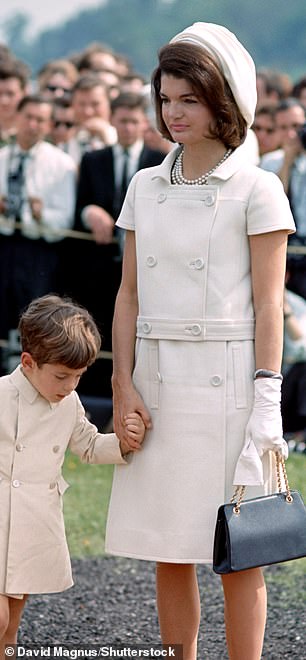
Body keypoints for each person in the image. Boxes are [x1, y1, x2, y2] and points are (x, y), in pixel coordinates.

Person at [105, 22, 295, 660]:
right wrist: (121, 381)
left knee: (239, 554)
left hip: (233, 388)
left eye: (189, 98)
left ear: (224, 100)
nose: (173, 112)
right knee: (169, 548)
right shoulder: (145, 186)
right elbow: (129, 294)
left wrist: (267, 400)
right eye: (166, 99)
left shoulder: (258, 187)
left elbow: (270, 304)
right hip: (157, 381)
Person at [0, 294, 145, 653]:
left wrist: (125, 442)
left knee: (11, 625)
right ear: (28, 362)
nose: (70, 386)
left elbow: (90, 446)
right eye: (62, 376)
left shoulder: (69, 403)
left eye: (78, 377)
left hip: (33, 521)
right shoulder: (2, 395)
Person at [63, 91, 166, 398]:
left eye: (134, 121)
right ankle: (94, 395)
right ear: (113, 121)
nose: (128, 128)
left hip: (143, 264)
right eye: (123, 121)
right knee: (97, 328)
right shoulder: (93, 159)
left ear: (144, 123)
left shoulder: (158, 161)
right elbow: (80, 206)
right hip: (99, 263)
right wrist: (89, 212)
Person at [0, 95, 77, 374]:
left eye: (40, 120)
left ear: (48, 125)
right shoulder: (3, 157)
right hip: (4, 246)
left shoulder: (61, 164)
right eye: (28, 117)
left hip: (39, 253)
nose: (32, 125)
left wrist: (39, 214)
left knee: (32, 320)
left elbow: (64, 221)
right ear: (17, 117)